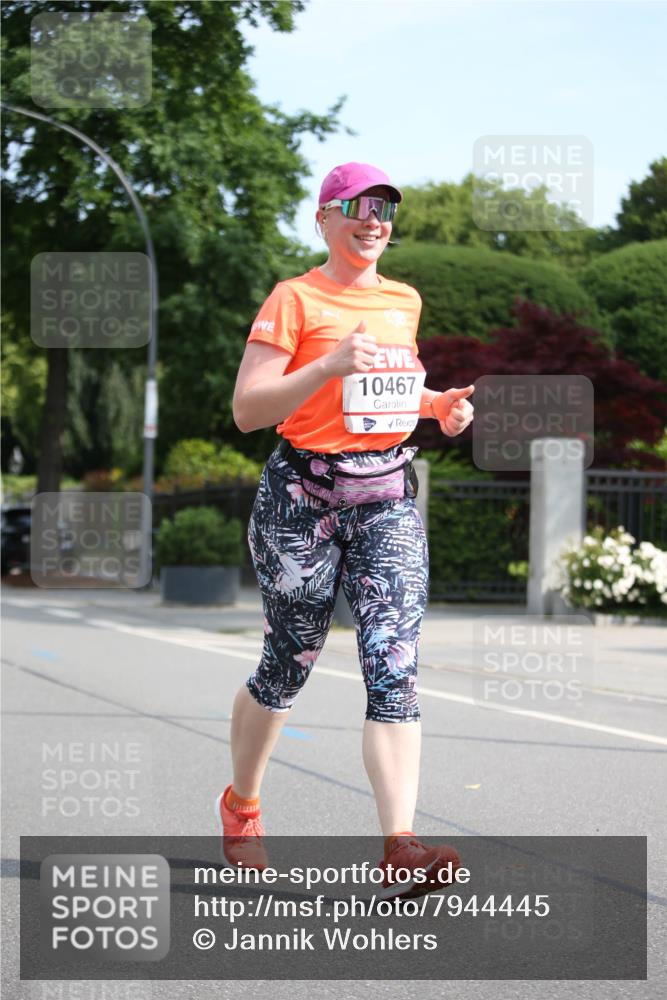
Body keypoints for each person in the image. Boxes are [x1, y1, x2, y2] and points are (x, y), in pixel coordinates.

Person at [215, 162, 474, 900]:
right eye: (356, 207)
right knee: (288, 660)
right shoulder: (293, 300)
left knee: (393, 663)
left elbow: (385, 390)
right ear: (325, 219)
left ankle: (400, 844)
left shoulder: (403, 299)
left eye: (385, 208)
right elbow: (248, 409)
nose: (374, 220)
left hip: (385, 496)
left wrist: (436, 408)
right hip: (301, 497)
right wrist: (325, 362)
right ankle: (242, 806)